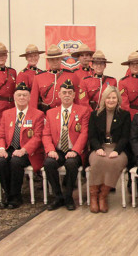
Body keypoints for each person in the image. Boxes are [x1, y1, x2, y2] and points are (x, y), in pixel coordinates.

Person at [0, 82, 45, 209]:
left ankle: (16, 196)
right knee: (0, 162)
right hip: (10, 148)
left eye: (24, 95)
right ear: (14, 97)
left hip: (28, 151)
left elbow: (38, 137)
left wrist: (24, 150)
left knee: (16, 162)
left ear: (29, 98)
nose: (22, 98)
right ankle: (9, 194)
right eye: (19, 95)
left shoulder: (38, 115)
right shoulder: (6, 114)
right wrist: (1, 149)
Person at [42, 79, 90, 211]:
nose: (67, 95)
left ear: (74, 95)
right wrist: (50, 150)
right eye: (64, 92)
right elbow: (46, 135)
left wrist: (75, 150)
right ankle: (58, 197)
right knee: (48, 163)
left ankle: (68, 196)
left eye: (70, 92)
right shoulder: (51, 113)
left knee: (71, 163)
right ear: (59, 94)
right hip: (57, 150)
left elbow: (84, 133)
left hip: (74, 150)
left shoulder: (83, 111)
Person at [87, 85, 130, 213]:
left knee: (113, 161)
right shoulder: (95, 115)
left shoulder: (124, 115)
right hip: (100, 147)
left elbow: (125, 137)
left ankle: (103, 196)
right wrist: (98, 148)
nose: (111, 100)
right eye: (108, 98)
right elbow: (92, 136)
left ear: (118, 100)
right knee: (97, 161)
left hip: (118, 148)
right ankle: (94, 195)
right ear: (104, 99)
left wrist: (117, 150)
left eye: (113, 98)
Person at [30, 44, 79, 113]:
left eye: (57, 59)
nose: (55, 61)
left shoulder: (72, 75)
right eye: (52, 59)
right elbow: (33, 102)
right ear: (48, 60)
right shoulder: (38, 77)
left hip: (67, 114)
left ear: (61, 59)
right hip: (46, 115)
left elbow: (77, 99)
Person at [119, 52, 138, 116]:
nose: (135, 66)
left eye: (137, 63)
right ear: (129, 66)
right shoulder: (123, 82)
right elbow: (124, 105)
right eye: (132, 64)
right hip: (131, 115)